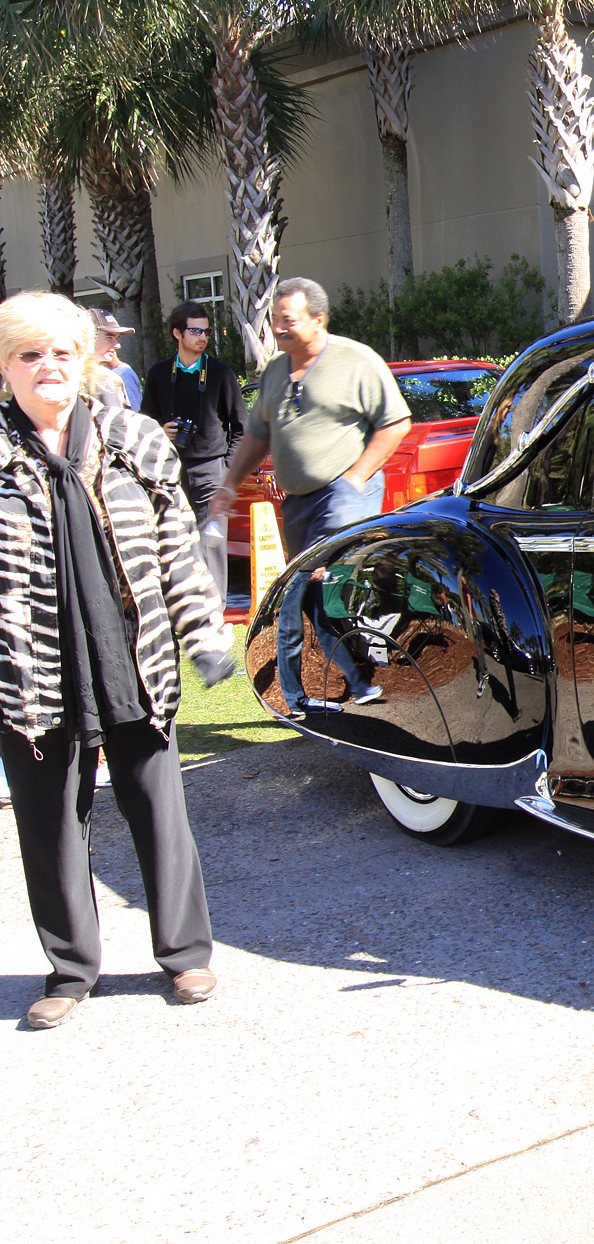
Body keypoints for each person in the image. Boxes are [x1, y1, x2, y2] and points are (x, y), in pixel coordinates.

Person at [0, 291, 236, 1028]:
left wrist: (203, 633)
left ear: (86, 359)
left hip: (130, 658)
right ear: (6, 366)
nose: (48, 367)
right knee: (48, 825)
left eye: (61, 352)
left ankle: (186, 953)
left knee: (159, 810)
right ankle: (71, 969)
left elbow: (177, 551)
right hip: (32, 673)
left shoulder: (134, 438)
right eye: (29, 353)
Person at [213, 278, 411, 716]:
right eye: (275, 320)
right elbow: (257, 435)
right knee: (317, 602)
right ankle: (360, 685)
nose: (279, 329)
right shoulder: (275, 371)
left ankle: (296, 695)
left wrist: (356, 478)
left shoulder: (355, 360)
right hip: (299, 504)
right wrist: (229, 483)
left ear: (318, 320)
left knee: (304, 588)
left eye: (289, 320)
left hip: (342, 497)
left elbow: (395, 423)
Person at [140, 301, 245, 604]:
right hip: (169, 470)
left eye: (207, 331)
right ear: (177, 333)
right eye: (195, 331)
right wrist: (161, 431)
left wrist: (226, 469)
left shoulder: (221, 374)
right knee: (172, 539)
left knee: (212, 541)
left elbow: (241, 427)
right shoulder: (160, 374)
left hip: (211, 470)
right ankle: (180, 607)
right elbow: (143, 423)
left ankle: (214, 608)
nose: (203, 337)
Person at [90, 309, 142, 410]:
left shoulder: (117, 377)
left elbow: (128, 421)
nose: (117, 345)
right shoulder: (66, 378)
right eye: (109, 337)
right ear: (88, 337)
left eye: (117, 338)